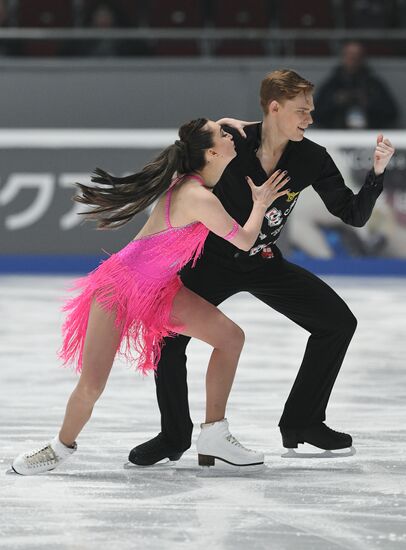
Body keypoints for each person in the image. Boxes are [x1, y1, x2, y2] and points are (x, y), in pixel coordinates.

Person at [130, 69, 395, 465]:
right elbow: (199, 149)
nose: (309, 118)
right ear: (275, 107)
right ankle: (173, 435)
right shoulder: (232, 141)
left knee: (337, 323)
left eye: (311, 110)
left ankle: (303, 421)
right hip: (211, 261)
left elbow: (352, 214)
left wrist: (376, 173)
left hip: (264, 260)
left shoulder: (311, 157)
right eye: (301, 110)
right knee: (167, 338)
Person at [11, 118, 291, 475]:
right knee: (92, 385)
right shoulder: (197, 196)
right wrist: (261, 202)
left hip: (161, 290)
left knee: (230, 338)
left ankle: (215, 434)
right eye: (223, 134)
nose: (230, 135)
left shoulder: (198, 180)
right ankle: (58, 448)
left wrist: (232, 121)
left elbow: (205, 132)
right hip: (119, 289)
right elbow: (246, 240)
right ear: (211, 152)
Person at [314, 42, 398, 129]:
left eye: (357, 55)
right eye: (350, 55)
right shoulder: (332, 84)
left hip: (369, 134)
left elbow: (392, 113)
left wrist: (369, 103)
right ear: (343, 57)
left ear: (362, 58)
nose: (353, 58)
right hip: (337, 134)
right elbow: (316, 114)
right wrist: (336, 101)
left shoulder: (373, 84)